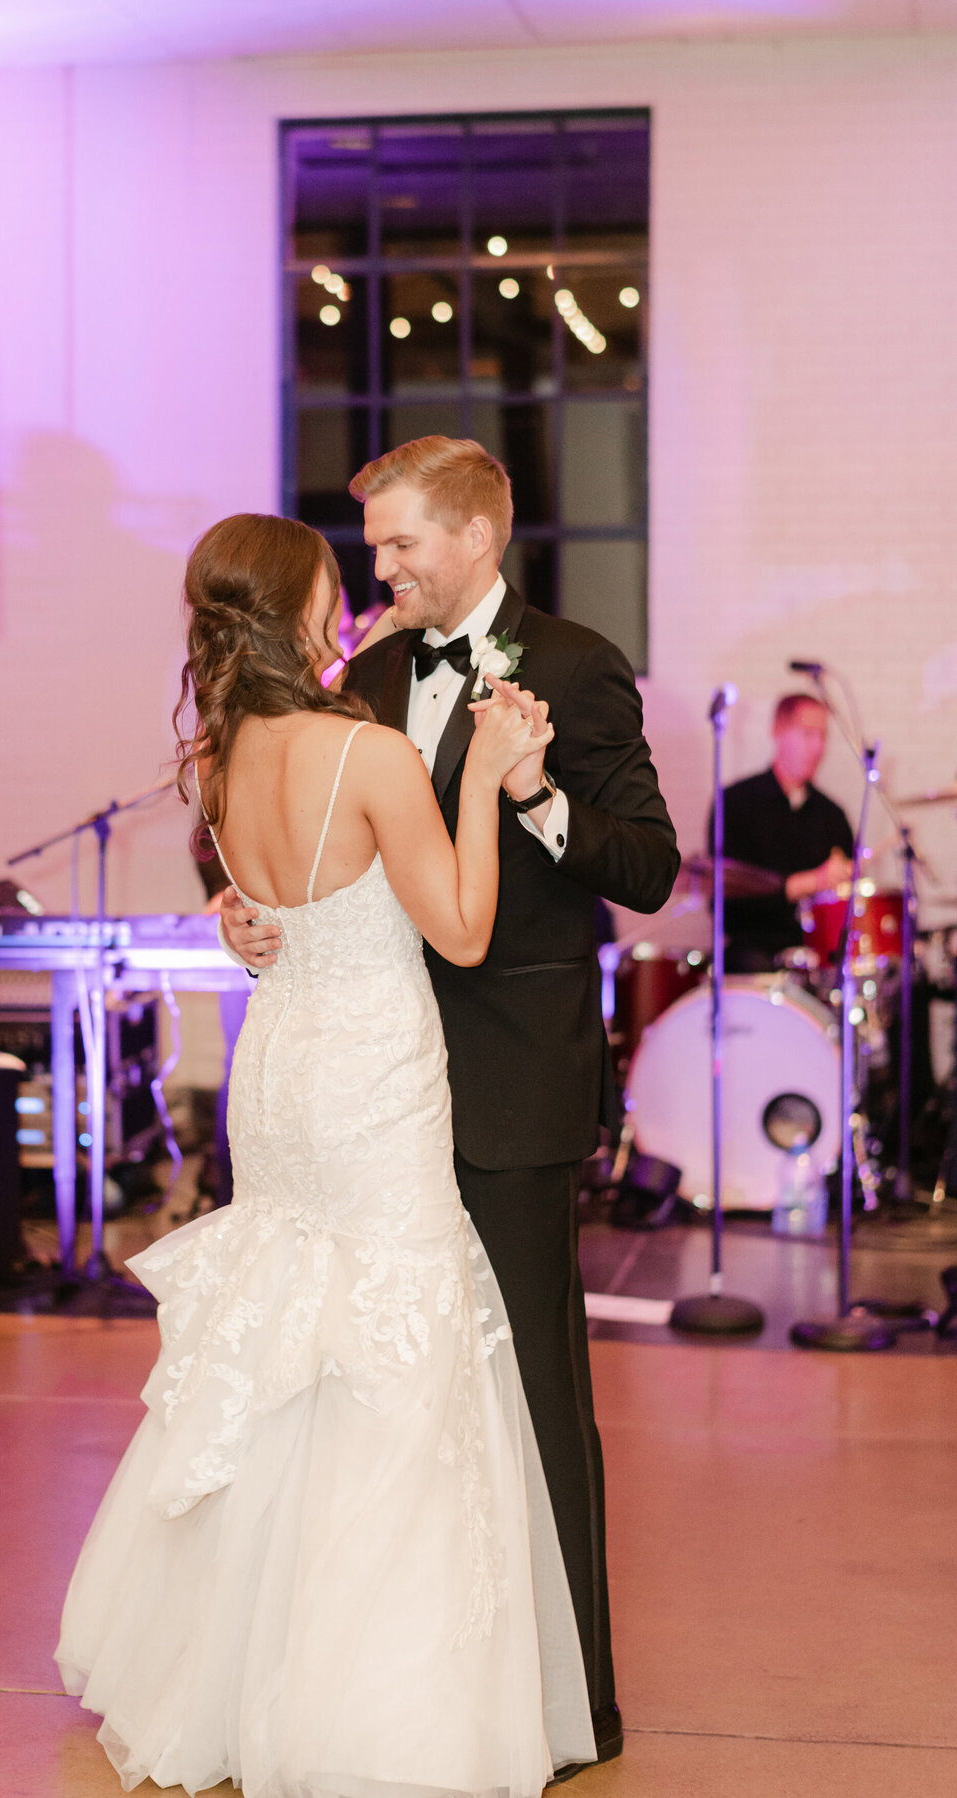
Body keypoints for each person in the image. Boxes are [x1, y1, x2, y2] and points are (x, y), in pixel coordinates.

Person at [57, 512, 599, 1795]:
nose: (352, 597)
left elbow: (259, 891)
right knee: (394, 1352)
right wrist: (477, 777)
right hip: (372, 1082)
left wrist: (229, 906)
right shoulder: (366, 752)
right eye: (333, 585)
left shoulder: (219, 756)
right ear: (301, 614)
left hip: (280, 1072)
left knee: (287, 1336)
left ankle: (235, 1667)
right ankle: (371, 1697)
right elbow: (462, 930)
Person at [221, 437, 680, 1776]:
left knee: (534, 1395)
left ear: (481, 535)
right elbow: (293, 836)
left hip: (512, 1086)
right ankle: (400, 1688)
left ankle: (569, 1703)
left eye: (403, 543)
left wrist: (533, 793)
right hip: (377, 1088)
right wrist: (243, 906)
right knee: (375, 1391)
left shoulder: (583, 665)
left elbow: (649, 864)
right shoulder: (359, 674)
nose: (383, 567)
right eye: (373, 548)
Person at [716, 691, 853, 971]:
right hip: (756, 953)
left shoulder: (833, 815)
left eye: (823, 737)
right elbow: (727, 900)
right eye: (807, 734)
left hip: (819, 959)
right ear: (778, 731)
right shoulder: (736, 803)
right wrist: (812, 882)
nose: (818, 748)